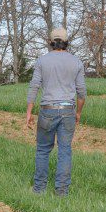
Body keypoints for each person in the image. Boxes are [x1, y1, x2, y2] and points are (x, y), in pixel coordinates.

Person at [25, 27, 86, 197]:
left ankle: (39, 189)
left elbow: (34, 87)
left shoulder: (42, 61)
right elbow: (81, 92)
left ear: (50, 42)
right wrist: (78, 112)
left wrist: (29, 112)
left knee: (43, 150)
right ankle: (61, 191)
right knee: (65, 150)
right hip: (68, 111)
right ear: (67, 42)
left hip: (47, 111)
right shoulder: (76, 62)